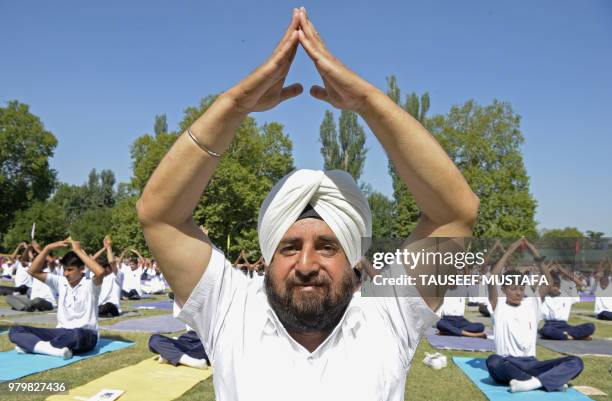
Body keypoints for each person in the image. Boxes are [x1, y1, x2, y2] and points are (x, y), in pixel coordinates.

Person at [136, 7, 479, 401]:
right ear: (268, 255)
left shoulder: (388, 315)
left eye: (327, 246)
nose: (305, 265)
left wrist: (368, 101)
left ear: (353, 257)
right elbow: (159, 215)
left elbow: (455, 213)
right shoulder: (230, 311)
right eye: (289, 246)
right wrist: (233, 105)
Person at [485, 239, 584, 393]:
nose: (519, 292)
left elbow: (548, 281)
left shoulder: (532, 304)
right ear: (504, 289)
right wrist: (510, 250)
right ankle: (547, 380)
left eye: (521, 288)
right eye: (513, 288)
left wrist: (535, 254)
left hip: (532, 363)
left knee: (576, 362)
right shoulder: (498, 306)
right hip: (507, 363)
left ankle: (531, 383)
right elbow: (492, 278)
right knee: (493, 361)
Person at [8, 238, 105, 359]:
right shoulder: (60, 282)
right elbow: (32, 271)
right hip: (61, 332)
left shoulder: (90, 285)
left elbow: (100, 272)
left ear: (81, 269)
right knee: (16, 330)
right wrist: (47, 248)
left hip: (85, 334)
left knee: (77, 335)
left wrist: (78, 250)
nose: (66, 273)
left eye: (70, 270)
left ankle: (35, 346)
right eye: (64, 269)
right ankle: (54, 350)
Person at [538, 263, 595, 340]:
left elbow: (580, 285)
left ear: (559, 286)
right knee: (546, 330)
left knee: (591, 326)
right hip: (550, 326)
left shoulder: (566, 296)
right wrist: (546, 271)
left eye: (557, 285)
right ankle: (571, 336)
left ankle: (565, 335)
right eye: (552, 285)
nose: (555, 288)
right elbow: (535, 284)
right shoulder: (542, 297)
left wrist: (563, 271)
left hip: (565, 326)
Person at [148, 302, 209, 369]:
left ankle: (170, 356)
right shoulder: (181, 301)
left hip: (206, 340)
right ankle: (191, 362)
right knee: (154, 340)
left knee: (212, 346)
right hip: (189, 338)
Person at [6, 241, 59, 312]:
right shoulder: (34, 270)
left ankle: (24, 307)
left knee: (36, 300)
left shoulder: (51, 271)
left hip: (48, 302)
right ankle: (26, 307)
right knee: (9, 298)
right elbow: (23, 261)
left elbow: (51, 262)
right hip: (32, 301)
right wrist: (27, 248)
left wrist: (39, 250)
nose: (36, 263)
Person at [97, 235, 123, 317]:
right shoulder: (100, 277)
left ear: (108, 268)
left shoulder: (118, 275)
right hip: (101, 305)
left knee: (108, 305)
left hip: (113, 306)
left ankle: (104, 313)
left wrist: (109, 247)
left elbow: (111, 262)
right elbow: (91, 260)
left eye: (103, 269)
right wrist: (104, 248)